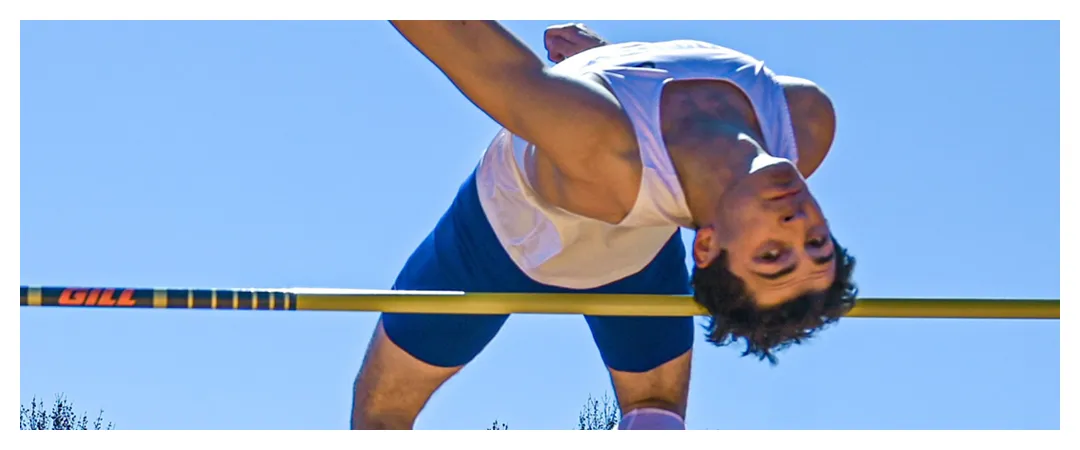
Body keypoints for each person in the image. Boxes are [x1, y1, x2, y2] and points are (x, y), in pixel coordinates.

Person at [351, 21, 858, 430]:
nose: (796, 225)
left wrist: (590, 89)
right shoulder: (806, 122)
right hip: (631, 245)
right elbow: (659, 101)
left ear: (705, 246)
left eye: (772, 255)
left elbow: (448, 31)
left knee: (381, 415)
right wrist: (605, 62)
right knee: (658, 414)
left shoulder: (602, 144)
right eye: (816, 244)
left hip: (500, 245)